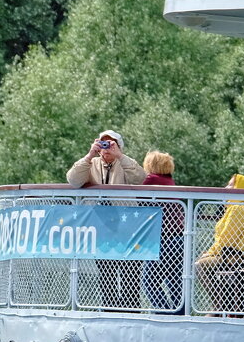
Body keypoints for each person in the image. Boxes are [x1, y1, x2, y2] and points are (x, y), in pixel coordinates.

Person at [66, 130, 145, 309]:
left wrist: (120, 156)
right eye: (103, 143)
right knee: (105, 270)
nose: (106, 147)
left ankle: (131, 309)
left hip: (126, 227)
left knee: (130, 271)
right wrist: (89, 155)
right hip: (101, 226)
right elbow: (73, 180)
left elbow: (140, 178)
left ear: (119, 146)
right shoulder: (91, 163)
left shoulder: (125, 163)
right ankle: (108, 307)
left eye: (111, 144)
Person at [194, 174, 244, 314]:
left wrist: (210, 253)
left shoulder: (238, 208)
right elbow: (226, 239)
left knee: (200, 266)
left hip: (243, 257)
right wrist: (211, 252)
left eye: (231, 184)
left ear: (241, 188)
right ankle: (225, 304)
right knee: (206, 262)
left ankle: (219, 306)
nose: (226, 187)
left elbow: (227, 239)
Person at [141, 151, 183, 312]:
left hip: (164, 239)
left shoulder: (151, 180)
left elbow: (137, 198)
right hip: (178, 238)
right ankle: (180, 313)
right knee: (174, 279)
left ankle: (164, 312)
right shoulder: (169, 181)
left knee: (149, 280)